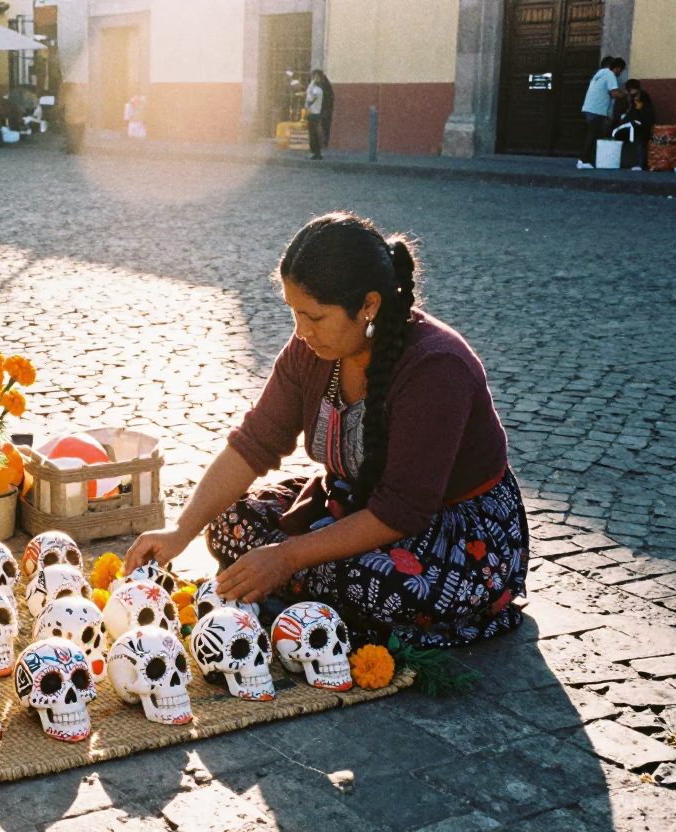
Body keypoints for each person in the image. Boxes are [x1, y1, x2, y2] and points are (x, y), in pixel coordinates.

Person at [125, 212, 529, 649]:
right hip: (352, 500)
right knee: (227, 523)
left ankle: (325, 602)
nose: (301, 331)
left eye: (314, 316)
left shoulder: (435, 367)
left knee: (378, 583)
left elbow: (402, 511)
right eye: (294, 313)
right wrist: (180, 531)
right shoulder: (309, 351)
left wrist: (287, 558)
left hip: (452, 531)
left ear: (368, 306)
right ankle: (314, 596)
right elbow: (254, 443)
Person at [578, 56, 624, 169]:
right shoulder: (609, 74)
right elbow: (614, 93)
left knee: (594, 134)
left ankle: (589, 160)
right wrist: (627, 95)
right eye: (620, 70)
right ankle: (583, 161)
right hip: (597, 110)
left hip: (590, 108)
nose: (620, 73)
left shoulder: (598, 74)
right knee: (593, 135)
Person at [613, 79, 654, 170]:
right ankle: (640, 163)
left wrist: (621, 123)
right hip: (645, 123)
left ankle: (639, 164)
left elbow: (634, 113)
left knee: (639, 142)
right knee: (641, 143)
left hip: (639, 124)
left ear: (628, 90)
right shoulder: (643, 95)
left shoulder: (638, 97)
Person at [304, 72, 324, 160]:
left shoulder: (317, 90)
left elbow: (313, 97)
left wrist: (308, 104)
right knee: (314, 134)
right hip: (315, 114)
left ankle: (315, 153)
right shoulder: (318, 89)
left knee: (313, 135)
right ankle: (317, 153)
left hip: (314, 114)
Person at [315, 70, 335, 149]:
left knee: (323, 127)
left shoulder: (325, 86)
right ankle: (322, 143)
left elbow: (327, 99)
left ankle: (323, 144)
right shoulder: (323, 85)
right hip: (323, 110)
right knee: (323, 127)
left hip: (324, 110)